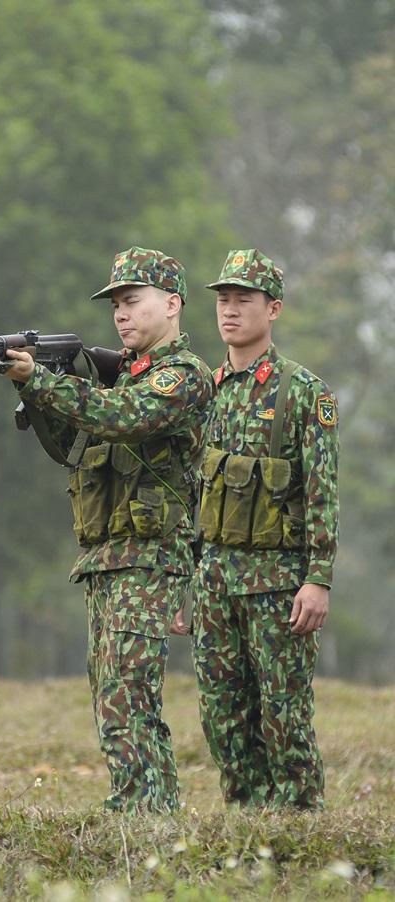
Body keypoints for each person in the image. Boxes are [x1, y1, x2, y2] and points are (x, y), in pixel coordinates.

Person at [0, 246, 214, 813]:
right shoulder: (119, 380)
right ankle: (136, 809)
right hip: (106, 560)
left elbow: (123, 420)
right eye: (115, 304)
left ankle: (148, 818)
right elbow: (72, 439)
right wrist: (33, 386)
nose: (120, 314)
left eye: (132, 301)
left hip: (149, 559)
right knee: (110, 696)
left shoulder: (184, 378)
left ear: (172, 305)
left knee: (130, 693)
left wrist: (41, 382)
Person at [192, 248, 339, 810]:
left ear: (272, 308)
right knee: (222, 714)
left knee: (283, 715)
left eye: (243, 300)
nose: (229, 311)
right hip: (214, 583)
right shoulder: (206, 390)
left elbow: (322, 489)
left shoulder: (303, 392)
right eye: (223, 301)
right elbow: (192, 493)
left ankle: (302, 832)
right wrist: (187, 578)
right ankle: (247, 833)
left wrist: (318, 578)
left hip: (279, 583)